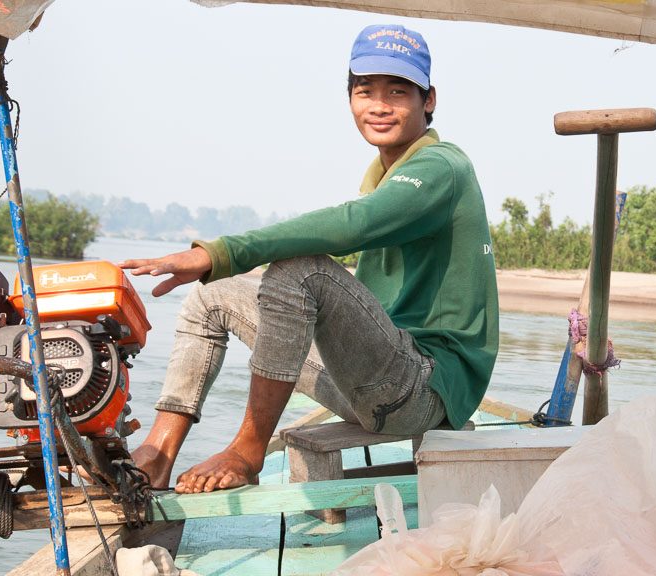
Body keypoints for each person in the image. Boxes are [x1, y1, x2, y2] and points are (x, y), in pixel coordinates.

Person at [120, 24, 499, 494]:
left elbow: (353, 225)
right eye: (365, 91)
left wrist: (220, 252)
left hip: (424, 389)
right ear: (350, 100)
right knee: (211, 295)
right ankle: (157, 453)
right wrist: (216, 267)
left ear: (429, 100)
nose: (379, 105)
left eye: (397, 92)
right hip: (372, 377)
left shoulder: (441, 167)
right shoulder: (383, 172)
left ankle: (247, 451)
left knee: (302, 271)